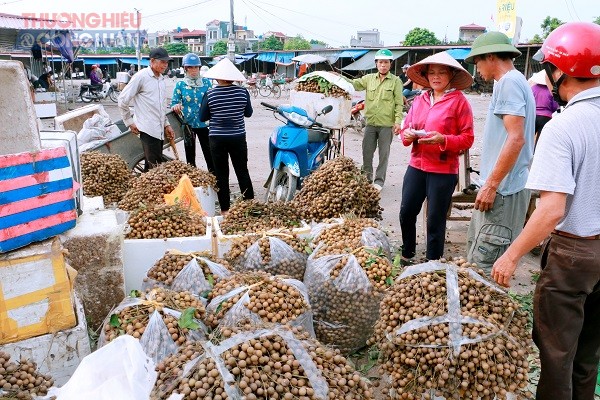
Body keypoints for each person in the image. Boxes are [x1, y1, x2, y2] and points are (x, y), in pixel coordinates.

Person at [490, 22, 600, 400]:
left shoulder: (563, 127)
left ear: (561, 72)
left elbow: (552, 210)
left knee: (556, 355)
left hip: (574, 255)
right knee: (589, 352)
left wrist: (511, 255)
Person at [463, 31, 535, 275]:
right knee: (477, 259)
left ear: (491, 56)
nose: (477, 69)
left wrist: (492, 185)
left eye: (477, 62)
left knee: (484, 270)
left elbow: (516, 139)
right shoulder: (515, 81)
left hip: (503, 192)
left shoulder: (509, 83)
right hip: (505, 188)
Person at [398, 51, 474, 264]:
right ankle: (408, 252)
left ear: (451, 75)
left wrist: (443, 140)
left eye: (442, 72)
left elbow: (467, 139)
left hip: (443, 170)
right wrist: (408, 134)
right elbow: (406, 132)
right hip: (417, 166)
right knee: (406, 211)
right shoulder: (420, 99)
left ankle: (433, 262)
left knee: (435, 220)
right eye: (432, 72)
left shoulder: (459, 102)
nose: (436, 76)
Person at [199, 58, 254, 215]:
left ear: (217, 77)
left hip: (217, 139)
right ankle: (250, 207)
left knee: (221, 174)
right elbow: (248, 113)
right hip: (238, 137)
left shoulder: (210, 94)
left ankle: (225, 210)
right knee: (242, 171)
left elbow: (202, 117)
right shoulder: (243, 92)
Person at [345, 49, 403, 190]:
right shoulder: (368, 79)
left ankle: (379, 181)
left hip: (386, 125)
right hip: (370, 123)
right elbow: (354, 84)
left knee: (383, 155)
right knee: (367, 152)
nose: (383, 65)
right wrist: (337, 77)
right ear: (376, 63)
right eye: (381, 62)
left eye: (386, 62)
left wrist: (397, 122)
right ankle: (366, 179)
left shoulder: (396, 81)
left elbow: (398, 103)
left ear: (390, 64)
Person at [118, 47, 175, 172]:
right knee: (155, 169)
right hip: (147, 129)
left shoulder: (161, 79)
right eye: (162, 62)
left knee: (151, 169)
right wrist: (129, 122)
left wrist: (167, 125)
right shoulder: (141, 77)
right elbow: (122, 100)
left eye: (167, 62)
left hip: (159, 129)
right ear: (152, 61)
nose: (165, 65)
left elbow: (160, 106)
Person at [171, 53, 214, 171]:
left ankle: (214, 178)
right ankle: (192, 179)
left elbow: (212, 100)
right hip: (188, 124)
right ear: (185, 68)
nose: (193, 70)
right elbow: (174, 101)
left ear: (199, 68)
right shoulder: (180, 85)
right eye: (190, 67)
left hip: (204, 123)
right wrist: (176, 106)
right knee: (190, 155)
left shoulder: (206, 83)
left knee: (209, 152)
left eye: (196, 67)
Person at [529, 70, 560, 145]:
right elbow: (555, 106)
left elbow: (528, 101)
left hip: (533, 115)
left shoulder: (533, 88)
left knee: (529, 137)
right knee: (540, 140)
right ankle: (536, 154)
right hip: (546, 117)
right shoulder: (550, 90)